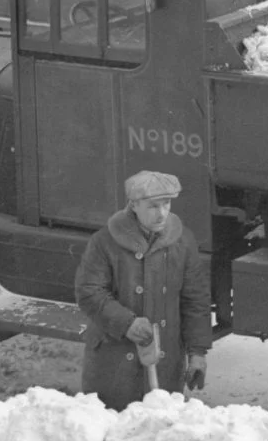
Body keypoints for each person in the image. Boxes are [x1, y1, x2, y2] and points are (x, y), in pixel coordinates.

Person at [74, 169, 212, 409]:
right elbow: (89, 292)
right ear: (134, 205)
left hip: (165, 362)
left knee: (156, 433)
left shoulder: (183, 242)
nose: (162, 214)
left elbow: (195, 300)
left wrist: (198, 353)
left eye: (166, 204)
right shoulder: (104, 242)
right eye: (153, 206)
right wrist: (127, 323)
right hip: (113, 364)